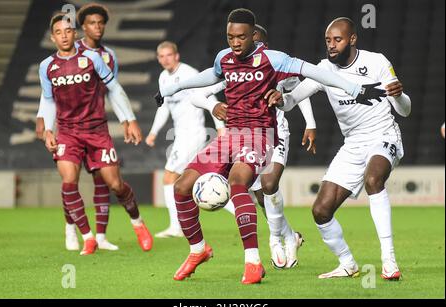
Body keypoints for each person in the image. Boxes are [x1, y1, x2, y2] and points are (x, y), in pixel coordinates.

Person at [156, 9, 385, 284]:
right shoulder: (224, 58)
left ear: (253, 35)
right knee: (182, 186)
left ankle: (253, 261)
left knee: (238, 183)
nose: (235, 43)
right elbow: (210, 75)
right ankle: (198, 249)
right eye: (230, 37)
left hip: (259, 135)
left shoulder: (273, 59)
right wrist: (172, 89)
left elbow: (314, 72)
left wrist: (355, 89)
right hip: (230, 136)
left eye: (241, 37)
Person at [270, 17, 411, 280]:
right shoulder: (323, 69)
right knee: (320, 211)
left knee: (373, 180)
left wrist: (399, 96)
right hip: (353, 143)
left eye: (338, 40)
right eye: (328, 40)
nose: (332, 45)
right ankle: (347, 263)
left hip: (384, 135)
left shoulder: (377, 62)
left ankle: (389, 260)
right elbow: (291, 101)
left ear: (352, 39)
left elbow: (405, 110)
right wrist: (281, 100)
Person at [189, 24, 314, 269]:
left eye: (252, 40)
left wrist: (310, 124)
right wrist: (211, 106)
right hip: (244, 138)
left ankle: (275, 240)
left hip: (274, 135)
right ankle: (290, 236)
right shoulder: (232, 70)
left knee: (269, 185)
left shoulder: (275, 66)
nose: (240, 45)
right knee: (259, 196)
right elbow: (197, 94)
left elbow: (300, 92)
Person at [39, 13, 153, 255]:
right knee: (69, 181)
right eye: (58, 32)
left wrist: (129, 120)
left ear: (75, 34)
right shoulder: (46, 66)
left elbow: (114, 88)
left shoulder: (93, 58)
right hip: (68, 132)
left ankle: (137, 222)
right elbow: (48, 100)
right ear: (53, 37)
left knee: (115, 184)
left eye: (68, 31)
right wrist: (48, 128)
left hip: (97, 131)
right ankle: (87, 236)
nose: (64, 36)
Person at [146, 41, 225, 238]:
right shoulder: (163, 77)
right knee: (200, 178)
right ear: (158, 59)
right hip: (182, 134)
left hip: (193, 133)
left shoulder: (190, 74)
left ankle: (176, 226)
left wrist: (220, 127)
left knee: (169, 176)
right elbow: (163, 107)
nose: (165, 59)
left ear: (177, 56)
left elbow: (211, 100)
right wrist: (154, 132)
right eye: (161, 56)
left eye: (169, 55)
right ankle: (239, 205)